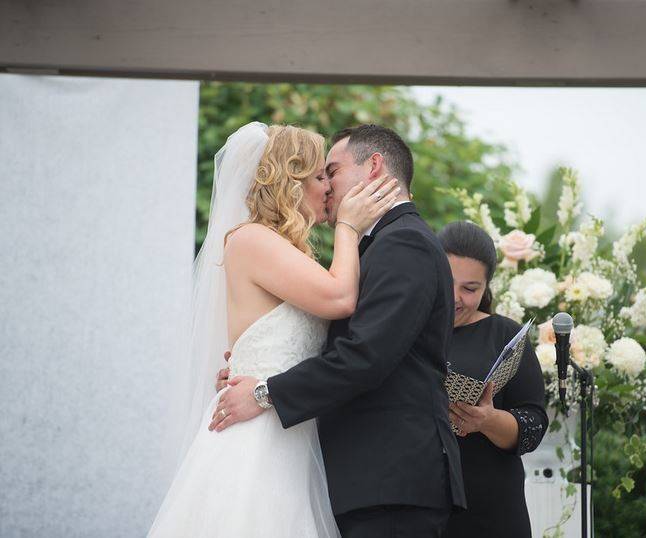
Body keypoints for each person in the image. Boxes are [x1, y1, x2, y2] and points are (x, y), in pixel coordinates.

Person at [211, 124, 466, 537]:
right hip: (352, 475)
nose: (328, 186)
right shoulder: (372, 247)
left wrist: (266, 391)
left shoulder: (405, 243)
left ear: (374, 168)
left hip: (390, 478)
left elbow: (364, 356)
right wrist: (252, 364)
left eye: (332, 171)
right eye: (318, 176)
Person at [149, 122, 400, 537]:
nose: (329, 189)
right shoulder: (251, 239)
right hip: (256, 440)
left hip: (290, 432)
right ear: (290, 181)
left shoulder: (286, 251)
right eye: (320, 176)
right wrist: (349, 227)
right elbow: (340, 299)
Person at [438, 221, 548, 538]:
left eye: (470, 289)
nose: (455, 297)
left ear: (487, 287)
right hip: (417, 506)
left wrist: (487, 421)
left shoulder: (505, 335)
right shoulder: (408, 327)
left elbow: (534, 424)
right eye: (447, 282)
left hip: (490, 511)